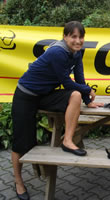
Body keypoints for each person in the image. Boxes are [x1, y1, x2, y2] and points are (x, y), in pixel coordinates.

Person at [11, 21, 103, 200]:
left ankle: (67, 141)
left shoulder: (77, 52)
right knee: (21, 144)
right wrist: (88, 90)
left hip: (46, 94)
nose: (78, 41)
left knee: (75, 96)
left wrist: (86, 100)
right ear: (65, 37)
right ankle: (18, 181)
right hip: (26, 95)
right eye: (73, 36)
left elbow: (79, 77)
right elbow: (66, 82)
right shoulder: (57, 52)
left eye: (81, 37)